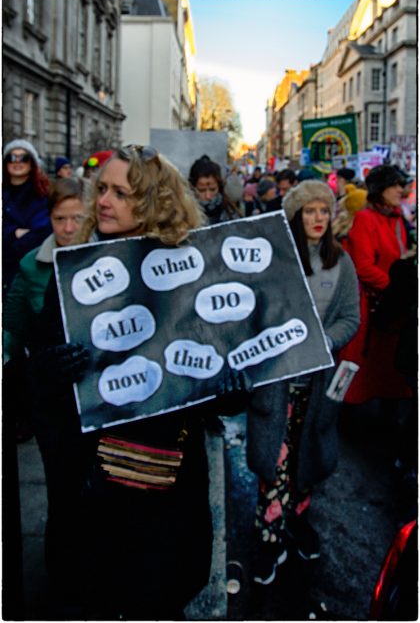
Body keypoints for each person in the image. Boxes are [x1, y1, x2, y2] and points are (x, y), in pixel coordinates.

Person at [28, 145, 249, 619]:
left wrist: (229, 391)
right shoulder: (75, 272)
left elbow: (205, 372)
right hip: (92, 488)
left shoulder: (189, 274)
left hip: (165, 487)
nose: (102, 201)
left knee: (158, 593)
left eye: (120, 193)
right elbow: (38, 379)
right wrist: (52, 367)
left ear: (153, 202)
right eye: (101, 189)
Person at [246, 179, 359, 585]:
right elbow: (252, 315)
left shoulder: (341, 263)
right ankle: (267, 537)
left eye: (324, 211)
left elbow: (350, 316)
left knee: (306, 460)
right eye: (309, 211)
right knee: (273, 463)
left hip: (318, 384)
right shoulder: (274, 262)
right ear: (295, 215)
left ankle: (297, 522)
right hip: (277, 384)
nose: (317, 218)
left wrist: (327, 340)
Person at [3, 177, 89, 443]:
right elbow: (12, 329)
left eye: (77, 218)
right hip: (54, 398)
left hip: (100, 393)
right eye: (59, 219)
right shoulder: (32, 264)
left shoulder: (111, 256)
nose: (68, 228)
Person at [339, 164, 413, 407]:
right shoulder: (364, 218)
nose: (400, 189)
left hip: (393, 305)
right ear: (380, 189)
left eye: (401, 184)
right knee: (364, 366)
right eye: (395, 185)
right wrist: (397, 288)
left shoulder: (397, 218)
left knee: (389, 371)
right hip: (371, 305)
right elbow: (364, 266)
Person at [3, 139, 51, 294]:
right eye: (12, 158)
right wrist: (14, 233)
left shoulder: (42, 194)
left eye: (23, 158)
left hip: (28, 267)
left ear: (32, 163)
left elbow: (42, 232)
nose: (17, 162)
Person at [189, 154, 243, 224]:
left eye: (212, 189)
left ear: (219, 187)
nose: (208, 196)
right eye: (201, 190)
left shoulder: (231, 215)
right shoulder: (182, 217)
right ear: (192, 188)